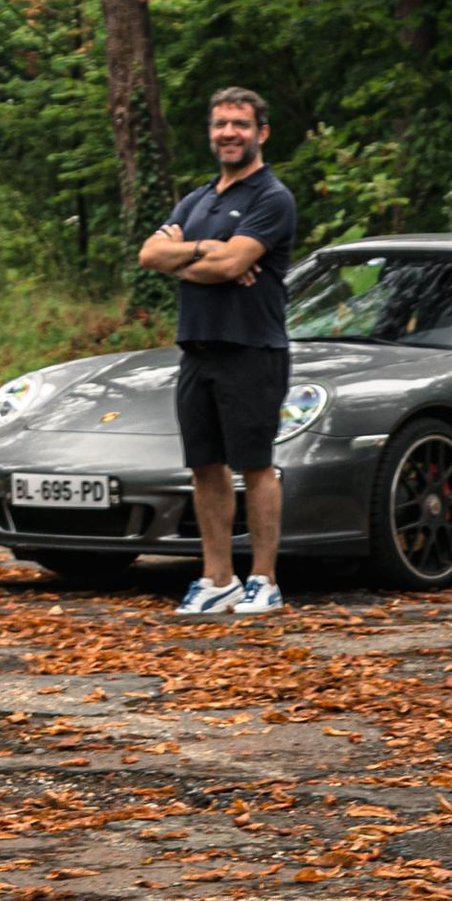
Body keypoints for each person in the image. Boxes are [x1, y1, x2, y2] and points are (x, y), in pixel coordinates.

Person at [138, 85, 298, 618]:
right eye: (220, 124)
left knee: (256, 466)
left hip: (252, 349)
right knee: (205, 467)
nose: (228, 133)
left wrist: (189, 261)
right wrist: (206, 249)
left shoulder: (271, 197)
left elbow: (234, 266)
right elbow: (148, 253)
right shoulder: (199, 198)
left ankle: (264, 580)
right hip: (198, 351)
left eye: (240, 124)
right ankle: (217, 577)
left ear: (262, 132)